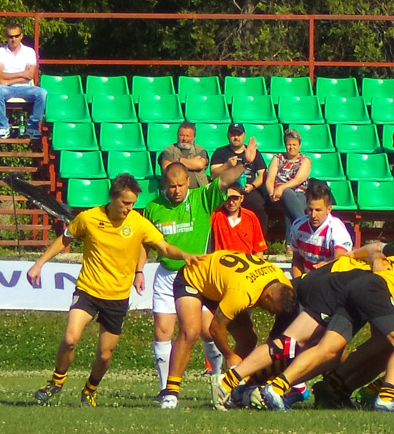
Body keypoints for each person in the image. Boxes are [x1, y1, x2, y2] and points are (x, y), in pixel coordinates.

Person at [26, 174, 190, 406]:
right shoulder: (89, 218)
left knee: (105, 355)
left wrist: (183, 255)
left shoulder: (139, 223)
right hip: (88, 290)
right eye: (125, 203)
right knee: (70, 339)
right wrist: (40, 263)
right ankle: (56, 381)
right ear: (113, 198)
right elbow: (65, 239)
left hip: (117, 297)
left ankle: (90, 389)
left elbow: (162, 246)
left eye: (133, 204)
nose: (129, 208)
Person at [252, 253, 394, 413]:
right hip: (375, 289)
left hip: (357, 285)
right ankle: (387, 398)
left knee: (328, 350)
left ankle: (277, 387)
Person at [140, 156, 253, 394]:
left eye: (182, 185)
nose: (178, 190)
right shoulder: (152, 208)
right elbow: (145, 243)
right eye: (172, 186)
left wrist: (244, 162)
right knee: (163, 331)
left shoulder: (201, 198)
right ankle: (165, 389)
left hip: (196, 277)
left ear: (188, 182)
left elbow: (224, 180)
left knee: (206, 330)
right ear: (164, 184)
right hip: (167, 275)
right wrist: (139, 270)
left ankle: (217, 378)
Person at [158, 252, 297, 409]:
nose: (271, 313)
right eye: (272, 309)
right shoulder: (243, 293)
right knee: (190, 331)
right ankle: (170, 392)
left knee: (248, 338)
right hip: (194, 277)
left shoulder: (284, 283)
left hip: (222, 285)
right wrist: (229, 355)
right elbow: (216, 328)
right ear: (268, 297)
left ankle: (228, 387)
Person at [0, 23, 46, 140]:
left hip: (25, 88)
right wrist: (22, 74)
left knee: (42, 93)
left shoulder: (29, 52)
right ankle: (3, 126)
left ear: (21, 36)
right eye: (10, 36)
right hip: (5, 89)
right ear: (6, 37)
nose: (13, 39)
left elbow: (30, 75)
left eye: (16, 36)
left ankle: (32, 127)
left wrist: (7, 80)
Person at [286, 180, 352, 274]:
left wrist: (326, 266)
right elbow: (297, 260)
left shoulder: (336, 228)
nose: (313, 215)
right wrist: (298, 284)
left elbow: (341, 259)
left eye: (318, 210)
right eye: (310, 209)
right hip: (307, 279)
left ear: (328, 209)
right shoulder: (297, 225)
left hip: (330, 278)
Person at [209, 123, 267, 218]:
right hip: (227, 189)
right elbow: (213, 174)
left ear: (244, 135)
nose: (236, 137)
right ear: (228, 135)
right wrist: (226, 165)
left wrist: (252, 186)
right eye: (233, 134)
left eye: (239, 134)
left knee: (259, 205)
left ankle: (258, 232)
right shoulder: (220, 152)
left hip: (248, 190)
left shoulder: (252, 152)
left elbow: (262, 174)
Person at [264, 129, 311, 226]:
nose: (291, 147)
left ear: (299, 145)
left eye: (294, 145)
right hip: (277, 195)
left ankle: (291, 239)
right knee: (288, 199)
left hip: (299, 193)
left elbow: (298, 180)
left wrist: (281, 188)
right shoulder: (277, 158)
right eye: (289, 144)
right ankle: (305, 226)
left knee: (289, 205)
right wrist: (271, 194)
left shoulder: (305, 160)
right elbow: (269, 180)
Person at [210, 181, 267, 254]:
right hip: (221, 262)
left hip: (245, 263)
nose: (231, 202)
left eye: (235, 198)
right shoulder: (215, 216)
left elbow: (258, 249)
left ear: (242, 198)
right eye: (228, 198)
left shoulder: (250, 217)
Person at [157, 121, 209, 188]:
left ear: (194, 137)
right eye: (182, 135)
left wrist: (178, 161)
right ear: (177, 136)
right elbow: (167, 168)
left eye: (188, 136)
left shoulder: (200, 150)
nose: (185, 139)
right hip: (174, 193)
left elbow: (200, 164)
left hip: (198, 191)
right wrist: (192, 163)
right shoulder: (168, 151)